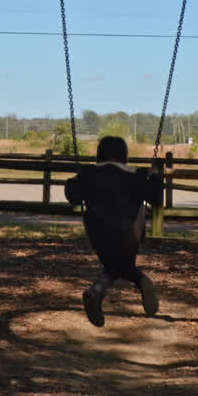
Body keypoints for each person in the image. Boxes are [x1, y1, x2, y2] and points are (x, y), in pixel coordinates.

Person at [63, 135, 164, 327]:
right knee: (123, 262)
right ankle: (141, 281)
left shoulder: (88, 173)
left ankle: (97, 291)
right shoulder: (136, 176)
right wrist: (156, 177)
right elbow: (156, 199)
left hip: (97, 233)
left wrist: (74, 180)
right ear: (124, 155)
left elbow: (74, 197)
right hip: (128, 233)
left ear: (99, 154)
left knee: (113, 265)